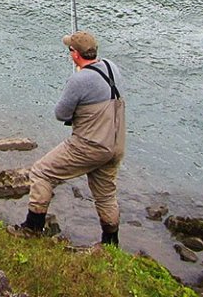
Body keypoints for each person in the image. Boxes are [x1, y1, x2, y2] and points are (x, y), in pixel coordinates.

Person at [19, 30, 126, 246]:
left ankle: (32, 228)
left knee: (41, 172)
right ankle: (111, 243)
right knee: (105, 195)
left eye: (71, 49)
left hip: (89, 146)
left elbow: (62, 114)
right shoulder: (112, 67)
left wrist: (78, 77)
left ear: (75, 54)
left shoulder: (79, 79)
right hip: (115, 146)